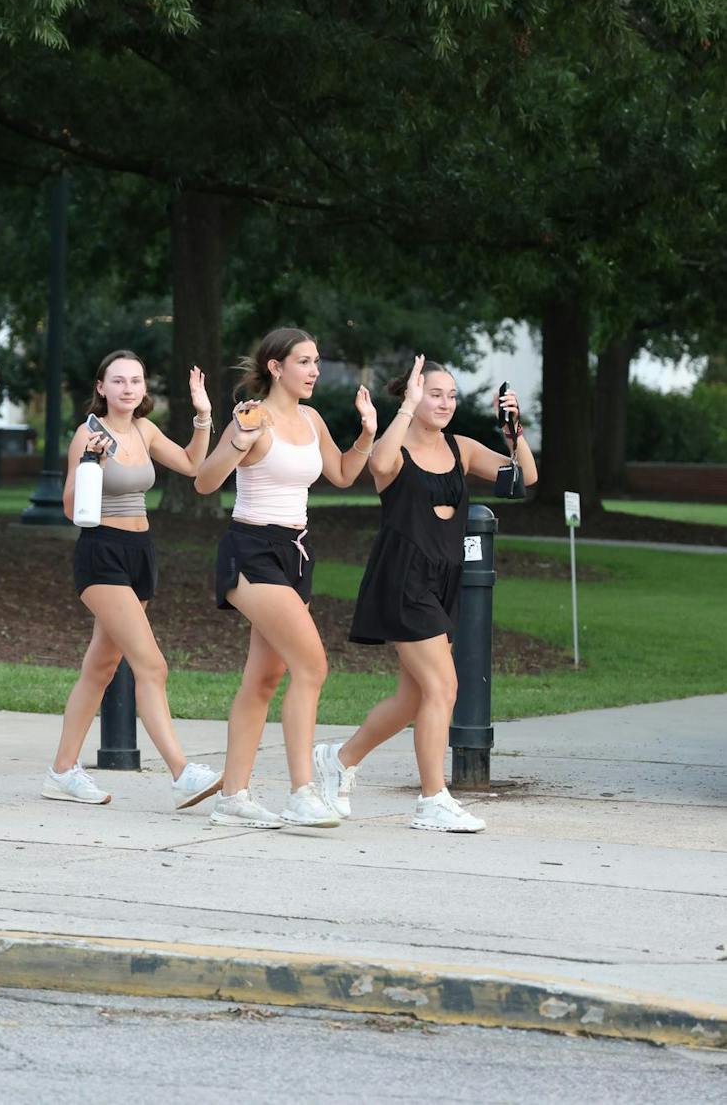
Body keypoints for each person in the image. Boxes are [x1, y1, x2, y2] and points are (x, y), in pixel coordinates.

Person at [313, 357, 537, 833]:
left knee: (413, 698)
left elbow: (524, 478)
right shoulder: (394, 445)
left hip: (445, 579)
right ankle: (432, 799)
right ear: (414, 396)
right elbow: (379, 463)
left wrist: (513, 430)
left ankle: (339, 758)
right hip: (403, 577)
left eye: (451, 396)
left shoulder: (462, 448)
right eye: (435, 394)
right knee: (444, 687)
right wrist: (405, 409)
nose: (446, 403)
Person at [193, 326, 377, 829]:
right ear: (276, 367)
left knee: (265, 676)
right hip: (251, 551)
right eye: (304, 361)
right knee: (312, 666)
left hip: (296, 552)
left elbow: (341, 474)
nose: (315, 370)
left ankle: (233, 796)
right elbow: (205, 481)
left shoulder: (312, 418)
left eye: (317, 361)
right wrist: (239, 441)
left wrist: (365, 434)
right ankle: (302, 791)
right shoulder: (254, 417)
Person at [44, 350, 222, 808]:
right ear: (101, 388)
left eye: (136, 381)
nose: (128, 388)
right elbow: (70, 509)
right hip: (101, 552)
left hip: (141, 553)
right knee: (152, 665)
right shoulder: (88, 433)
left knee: (100, 668)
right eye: (118, 381)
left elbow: (190, 465)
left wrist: (202, 417)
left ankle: (62, 771)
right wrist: (92, 464)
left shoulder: (144, 429)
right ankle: (182, 772)